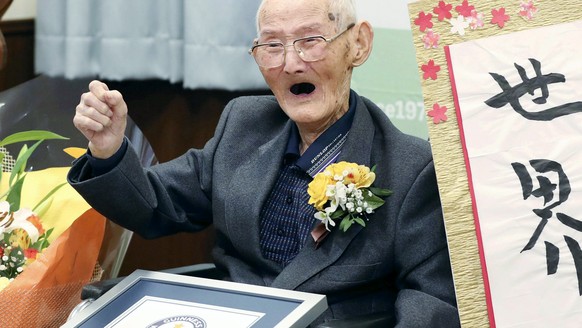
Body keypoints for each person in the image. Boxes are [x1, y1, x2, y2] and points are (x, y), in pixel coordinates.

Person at [68, 0, 460, 326]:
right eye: (272, 46)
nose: (291, 63)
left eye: (310, 40)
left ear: (358, 44)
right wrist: (109, 150)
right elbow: (156, 206)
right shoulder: (243, 124)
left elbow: (431, 301)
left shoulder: (411, 166)